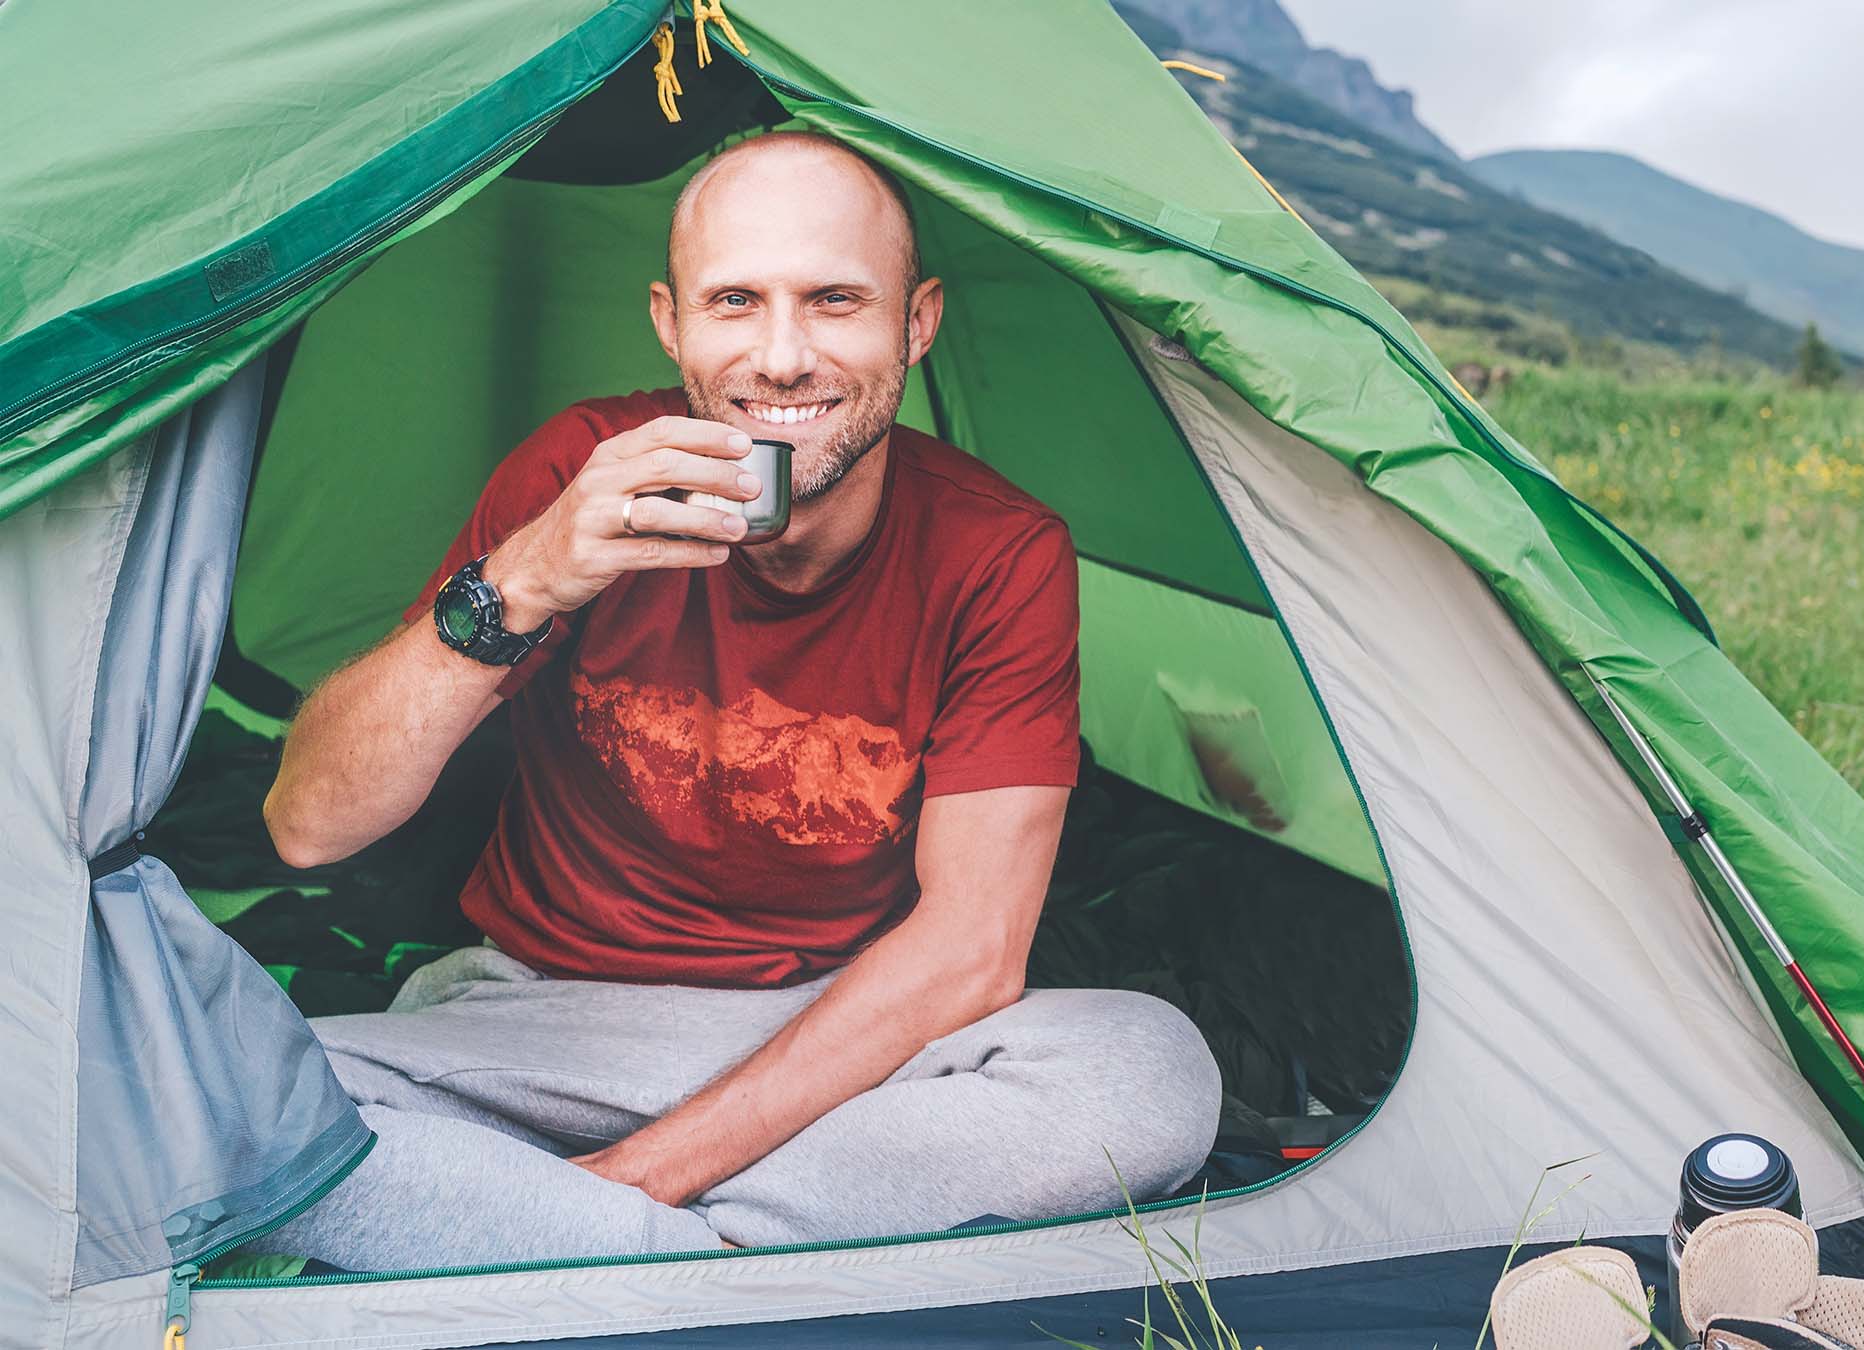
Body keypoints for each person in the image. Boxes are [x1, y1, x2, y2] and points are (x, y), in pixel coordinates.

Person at [255, 130, 1221, 1271]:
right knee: (223, 1101)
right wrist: (525, 578)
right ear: (672, 325)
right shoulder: (579, 473)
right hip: (536, 1022)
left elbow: (969, 954)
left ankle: (569, 1238)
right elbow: (307, 824)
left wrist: (635, 1179)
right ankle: (740, 1261)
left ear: (916, 323)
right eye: (734, 303)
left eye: (834, 301)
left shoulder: (997, 552)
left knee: (1146, 1069)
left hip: (838, 1038)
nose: (780, 357)